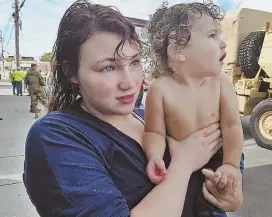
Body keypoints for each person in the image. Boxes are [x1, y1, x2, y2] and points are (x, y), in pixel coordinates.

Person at [23, 1, 244, 217]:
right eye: (108, 67)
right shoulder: (57, 135)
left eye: (135, 62)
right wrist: (183, 164)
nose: (130, 82)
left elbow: (221, 146)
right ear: (72, 72)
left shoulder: (148, 116)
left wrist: (228, 193)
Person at [143, 2, 244, 217]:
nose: (223, 43)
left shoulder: (220, 82)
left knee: (212, 206)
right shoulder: (159, 89)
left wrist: (231, 165)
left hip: (220, 160)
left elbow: (232, 127)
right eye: (212, 36)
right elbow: (154, 132)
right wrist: (154, 156)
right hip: (181, 163)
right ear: (178, 50)